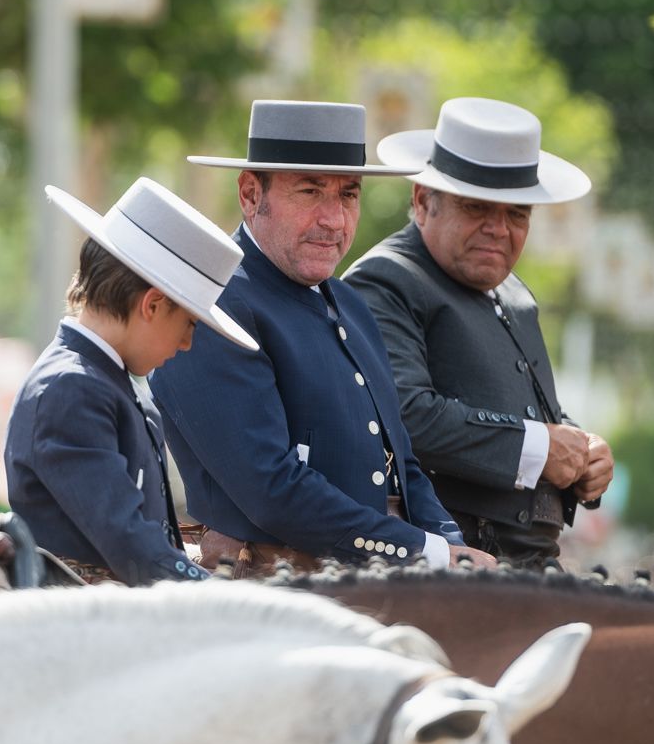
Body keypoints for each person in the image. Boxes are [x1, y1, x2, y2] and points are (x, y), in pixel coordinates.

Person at [149, 100, 494, 577]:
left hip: (386, 577)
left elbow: (403, 464)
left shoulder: (350, 304)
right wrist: (424, 551)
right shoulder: (215, 305)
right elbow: (271, 488)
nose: (334, 219)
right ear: (251, 194)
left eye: (348, 195)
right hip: (281, 589)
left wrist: (450, 546)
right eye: (310, 191)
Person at [344, 96, 613, 566]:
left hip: (527, 563)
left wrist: (583, 451)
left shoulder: (514, 294)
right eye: (476, 209)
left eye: (517, 215)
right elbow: (405, 414)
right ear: (423, 201)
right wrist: (541, 447)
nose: (498, 229)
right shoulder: (386, 279)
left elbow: (527, 411)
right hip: (451, 565)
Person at [5, 177, 258, 584]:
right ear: (153, 304)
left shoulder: (105, 382)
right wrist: (217, 595)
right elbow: (128, 543)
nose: (188, 343)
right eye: (189, 323)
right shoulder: (72, 388)